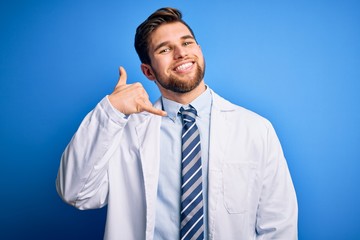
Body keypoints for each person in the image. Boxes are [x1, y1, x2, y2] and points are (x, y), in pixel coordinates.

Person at [56, 7, 298, 240]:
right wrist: (110, 110)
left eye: (186, 42)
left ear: (200, 50)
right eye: (165, 50)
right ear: (148, 72)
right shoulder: (123, 132)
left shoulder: (255, 129)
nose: (181, 54)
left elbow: (279, 227)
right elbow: (76, 193)